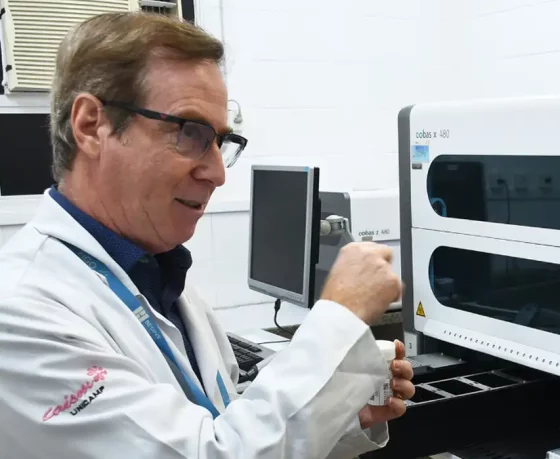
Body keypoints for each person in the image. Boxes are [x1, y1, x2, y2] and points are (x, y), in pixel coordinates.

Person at [0, 12, 414, 459]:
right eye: (190, 132)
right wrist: (339, 317)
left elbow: (224, 423)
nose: (217, 173)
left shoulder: (158, 275)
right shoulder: (21, 313)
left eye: (220, 141)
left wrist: (341, 414)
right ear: (90, 126)